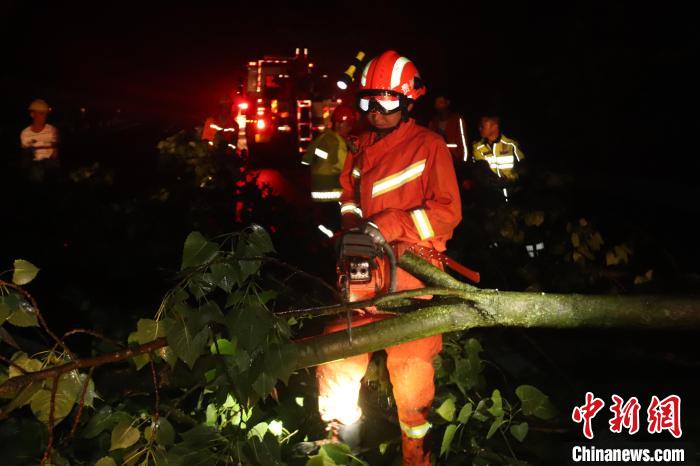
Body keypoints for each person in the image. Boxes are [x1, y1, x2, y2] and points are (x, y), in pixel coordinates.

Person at [316, 50, 462, 465]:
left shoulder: (429, 146)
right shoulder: (359, 150)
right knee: (338, 356)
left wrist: (389, 226)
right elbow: (349, 199)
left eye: (387, 102)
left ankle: (416, 457)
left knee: (412, 375)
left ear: (408, 103)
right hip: (362, 273)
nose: (375, 112)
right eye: (368, 102)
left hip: (412, 280)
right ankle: (337, 450)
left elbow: (447, 213)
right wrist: (349, 234)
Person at [301, 104, 357, 233]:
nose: (350, 128)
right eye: (347, 125)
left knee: (326, 225)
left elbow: (306, 160)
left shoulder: (323, 137)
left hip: (318, 192)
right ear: (338, 124)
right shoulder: (338, 142)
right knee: (339, 226)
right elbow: (347, 167)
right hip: (334, 193)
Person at [20, 99, 60, 181]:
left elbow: (55, 154)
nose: (45, 116)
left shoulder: (52, 130)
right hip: (35, 166)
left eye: (46, 114)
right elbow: (26, 157)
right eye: (41, 113)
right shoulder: (25, 133)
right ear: (32, 114)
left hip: (50, 166)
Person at [428, 95, 468, 162]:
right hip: (438, 160)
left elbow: (463, 141)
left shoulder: (457, 119)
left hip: (455, 160)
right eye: (436, 103)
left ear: (447, 103)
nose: (438, 106)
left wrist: (463, 160)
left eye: (441, 102)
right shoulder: (433, 122)